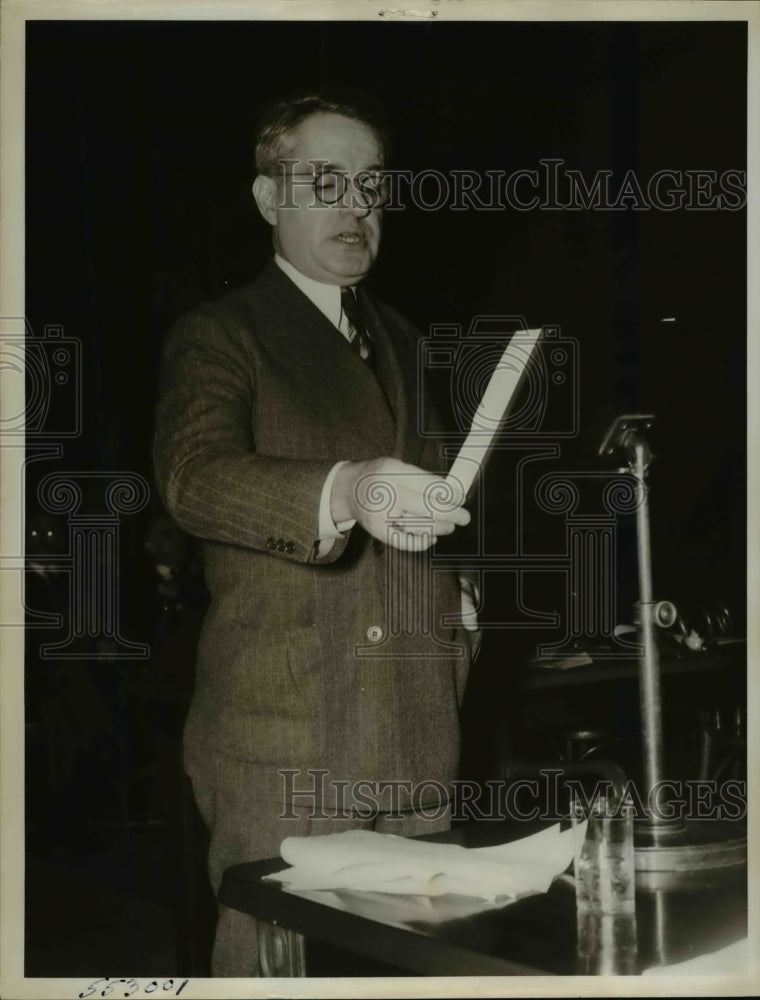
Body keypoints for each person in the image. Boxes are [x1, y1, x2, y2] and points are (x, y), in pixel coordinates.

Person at [153, 91, 478, 976]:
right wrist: (348, 486)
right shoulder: (220, 334)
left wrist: (461, 596)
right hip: (287, 747)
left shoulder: (405, 339)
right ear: (268, 200)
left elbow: (425, 507)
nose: (356, 207)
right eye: (325, 182)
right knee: (274, 976)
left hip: (417, 734)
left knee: (420, 978)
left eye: (371, 186)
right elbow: (193, 481)